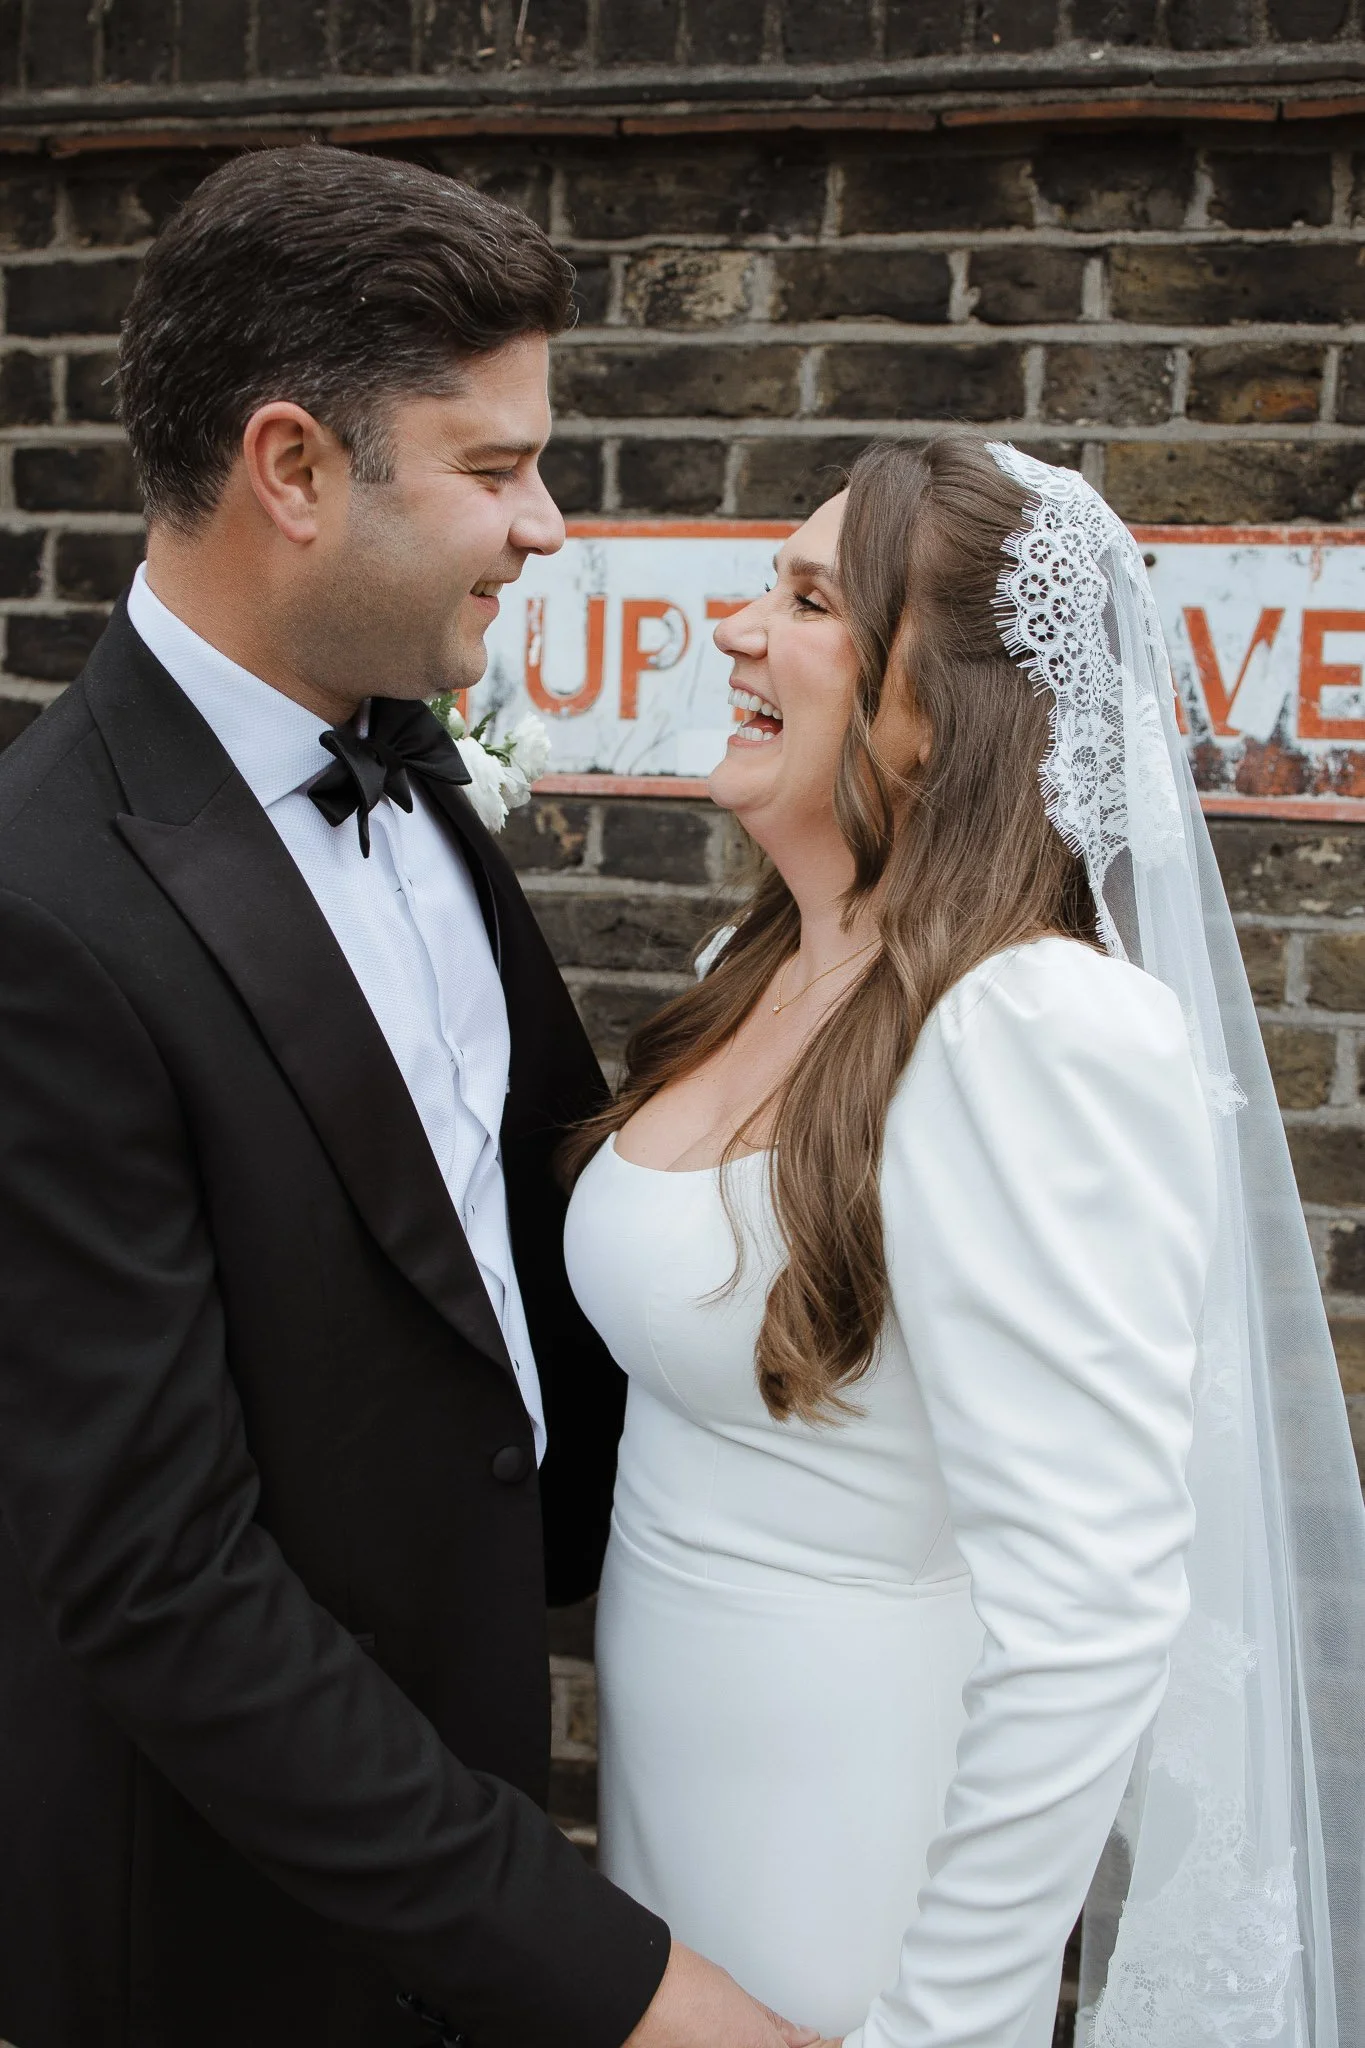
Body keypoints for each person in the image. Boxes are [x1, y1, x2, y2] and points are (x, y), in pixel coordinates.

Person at [0, 144, 813, 2048]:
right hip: (222, 1944)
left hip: (500, 1826)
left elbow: (506, 1279)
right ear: (293, 471)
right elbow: (159, 1580)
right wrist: (610, 1985)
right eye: (495, 464)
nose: (547, 525)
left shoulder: (412, 756)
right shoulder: (41, 910)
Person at [563, 434, 1365, 2047]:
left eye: (801, 598)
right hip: (674, 1816)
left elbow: (1088, 1606)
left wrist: (939, 2022)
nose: (732, 629)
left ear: (943, 710)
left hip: (850, 1857)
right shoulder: (756, 956)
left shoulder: (1034, 1027)